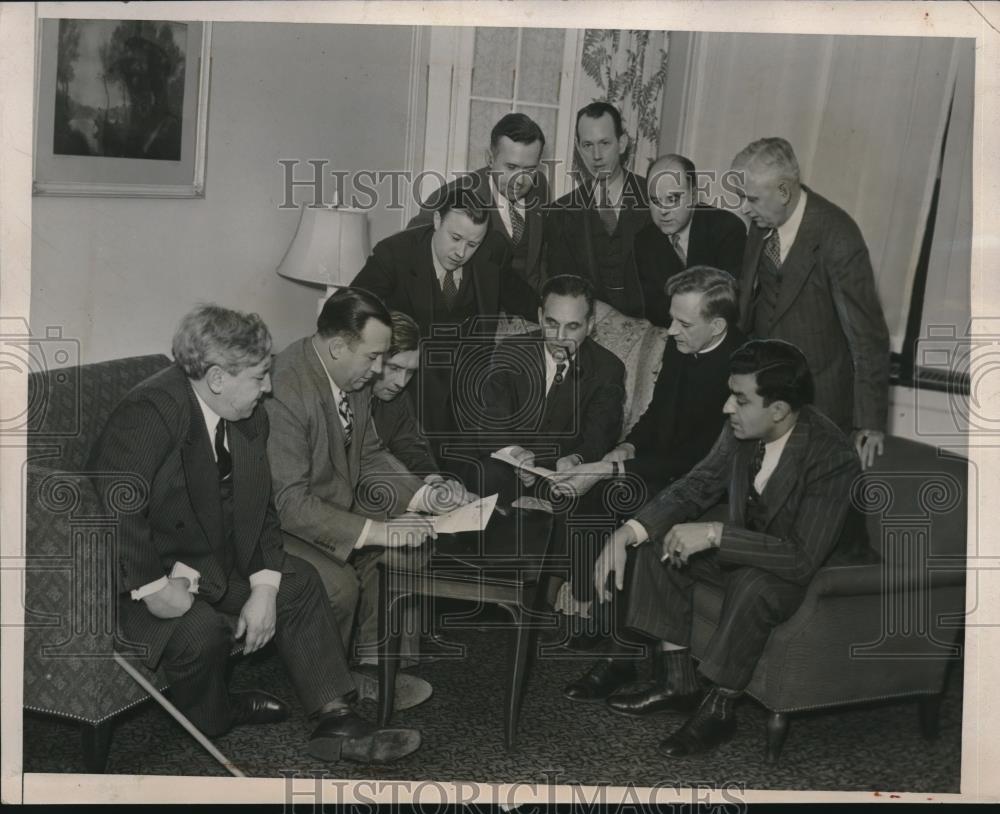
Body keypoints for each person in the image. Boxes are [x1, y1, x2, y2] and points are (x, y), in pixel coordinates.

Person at [89, 305, 421, 763]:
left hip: (207, 564)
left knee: (299, 583)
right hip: (141, 578)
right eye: (260, 376)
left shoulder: (247, 414)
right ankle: (218, 713)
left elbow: (263, 509)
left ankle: (336, 719)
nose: (269, 388)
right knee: (199, 632)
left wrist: (265, 588)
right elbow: (116, 508)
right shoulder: (151, 412)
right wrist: (152, 588)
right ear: (219, 378)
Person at [579, 340, 862, 758]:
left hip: (815, 575)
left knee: (753, 581)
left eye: (741, 398)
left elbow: (801, 558)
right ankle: (678, 683)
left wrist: (715, 534)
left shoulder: (831, 456)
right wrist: (628, 532)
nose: (727, 407)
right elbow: (697, 485)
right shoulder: (745, 426)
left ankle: (720, 709)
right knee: (663, 540)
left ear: (780, 409)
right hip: (756, 546)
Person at [266, 288, 472, 704]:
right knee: (340, 585)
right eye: (374, 358)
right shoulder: (287, 388)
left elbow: (371, 453)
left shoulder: (351, 375)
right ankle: (328, 698)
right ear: (339, 346)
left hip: (328, 504)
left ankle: (370, 670)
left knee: (395, 555)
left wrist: (423, 497)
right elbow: (289, 504)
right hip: (273, 520)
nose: (379, 371)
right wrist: (379, 530)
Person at [549, 268, 747, 650]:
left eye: (683, 322)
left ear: (718, 325)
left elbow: (698, 461)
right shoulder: (682, 343)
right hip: (662, 470)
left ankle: (622, 645)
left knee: (617, 497)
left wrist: (610, 468)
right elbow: (656, 415)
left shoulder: (739, 367)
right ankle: (593, 620)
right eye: (672, 318)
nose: (670, 331)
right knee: (590, 499)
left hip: (704, 489)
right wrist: (624, 450)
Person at [729, 137, 890, 469]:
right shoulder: (762, 224)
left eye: (752, 198)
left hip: (818, 400)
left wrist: (870, 423)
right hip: (765, 395)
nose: (744, 207)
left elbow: (866, 337)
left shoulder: (838, 236)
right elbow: (750, 304)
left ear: (785, 192)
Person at [352, 189, 538, 470]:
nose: (461, 253)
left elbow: (521, 297)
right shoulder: (394, 255)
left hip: (469, 385)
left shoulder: (492, 250)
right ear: (437, 220)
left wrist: (553, 313)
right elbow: (354, 311)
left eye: (472, 244)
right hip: (413, 386)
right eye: (455, 238)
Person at [477, 274, 626, 503]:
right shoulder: (510, 352)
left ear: (590, 325)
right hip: (507, 467)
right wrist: (516, 454)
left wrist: (575, 460)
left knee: (591, 496)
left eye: (573, 326)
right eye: (552, 323)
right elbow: (491, 420)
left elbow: (599, 436)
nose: (560, 337)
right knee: (487, 475)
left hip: (565, 473)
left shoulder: (608, 369)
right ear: (539, 316)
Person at [408, 112, 550, 292]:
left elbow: (541, 256)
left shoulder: (541, 187)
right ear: (490, 159)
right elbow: (411, 259)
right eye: (511, 167)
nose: (520, 181)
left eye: (529, 170)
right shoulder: (448, 198)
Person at [546, 102, 651, 317]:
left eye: (604, 143)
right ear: (577, 147)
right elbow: (564, 289)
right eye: (587, 145)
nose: (596, 155)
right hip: (590, 327)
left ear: (622, 144)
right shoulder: (561, 212)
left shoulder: (653, 198)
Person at [632, 154, 746, 327]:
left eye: (672, 199)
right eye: (655, 201)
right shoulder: (644, 242)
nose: (663, 211)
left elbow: (730, 308)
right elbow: (654, 312)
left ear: (693, 195)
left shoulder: (727, 229)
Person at [371, 310, 438, 476]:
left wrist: (435, 482)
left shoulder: (398, 397)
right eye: (394, 368)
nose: (401, 383)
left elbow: (410, 448)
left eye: (410, 372)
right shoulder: (342, 396)